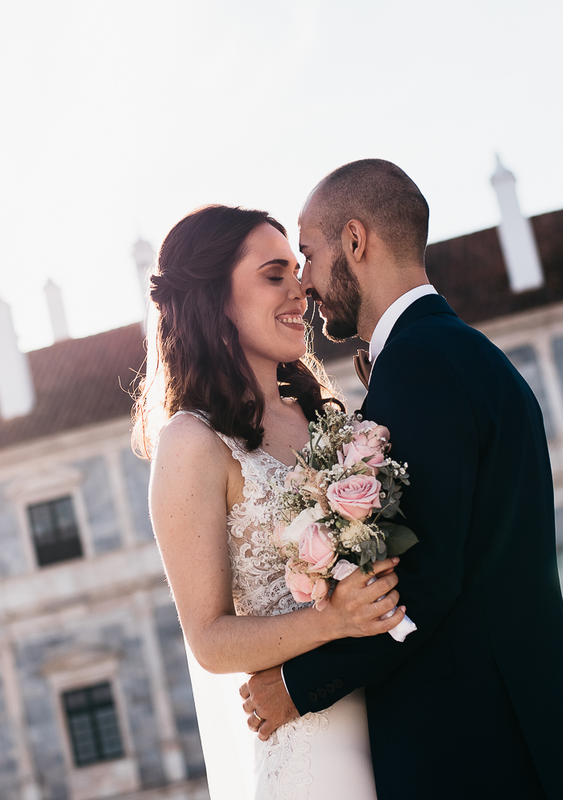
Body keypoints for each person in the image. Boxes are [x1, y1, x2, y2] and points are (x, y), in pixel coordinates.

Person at [239, 159, 563, 799]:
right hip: (520, 745)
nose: (303, 282)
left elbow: (426, 575)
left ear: (355, 242)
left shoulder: (421, 366)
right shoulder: (463, 353)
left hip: (477, 754)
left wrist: (299, 687)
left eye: (308, 253)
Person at [136, 204, 408, 799]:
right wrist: (334, 618)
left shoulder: (321, 416)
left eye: (296, 270)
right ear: (216, 300)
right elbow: (209, 639)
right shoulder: (192, 443)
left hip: (397, 720)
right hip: (313, 749)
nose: (301, 291)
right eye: (273, 275)